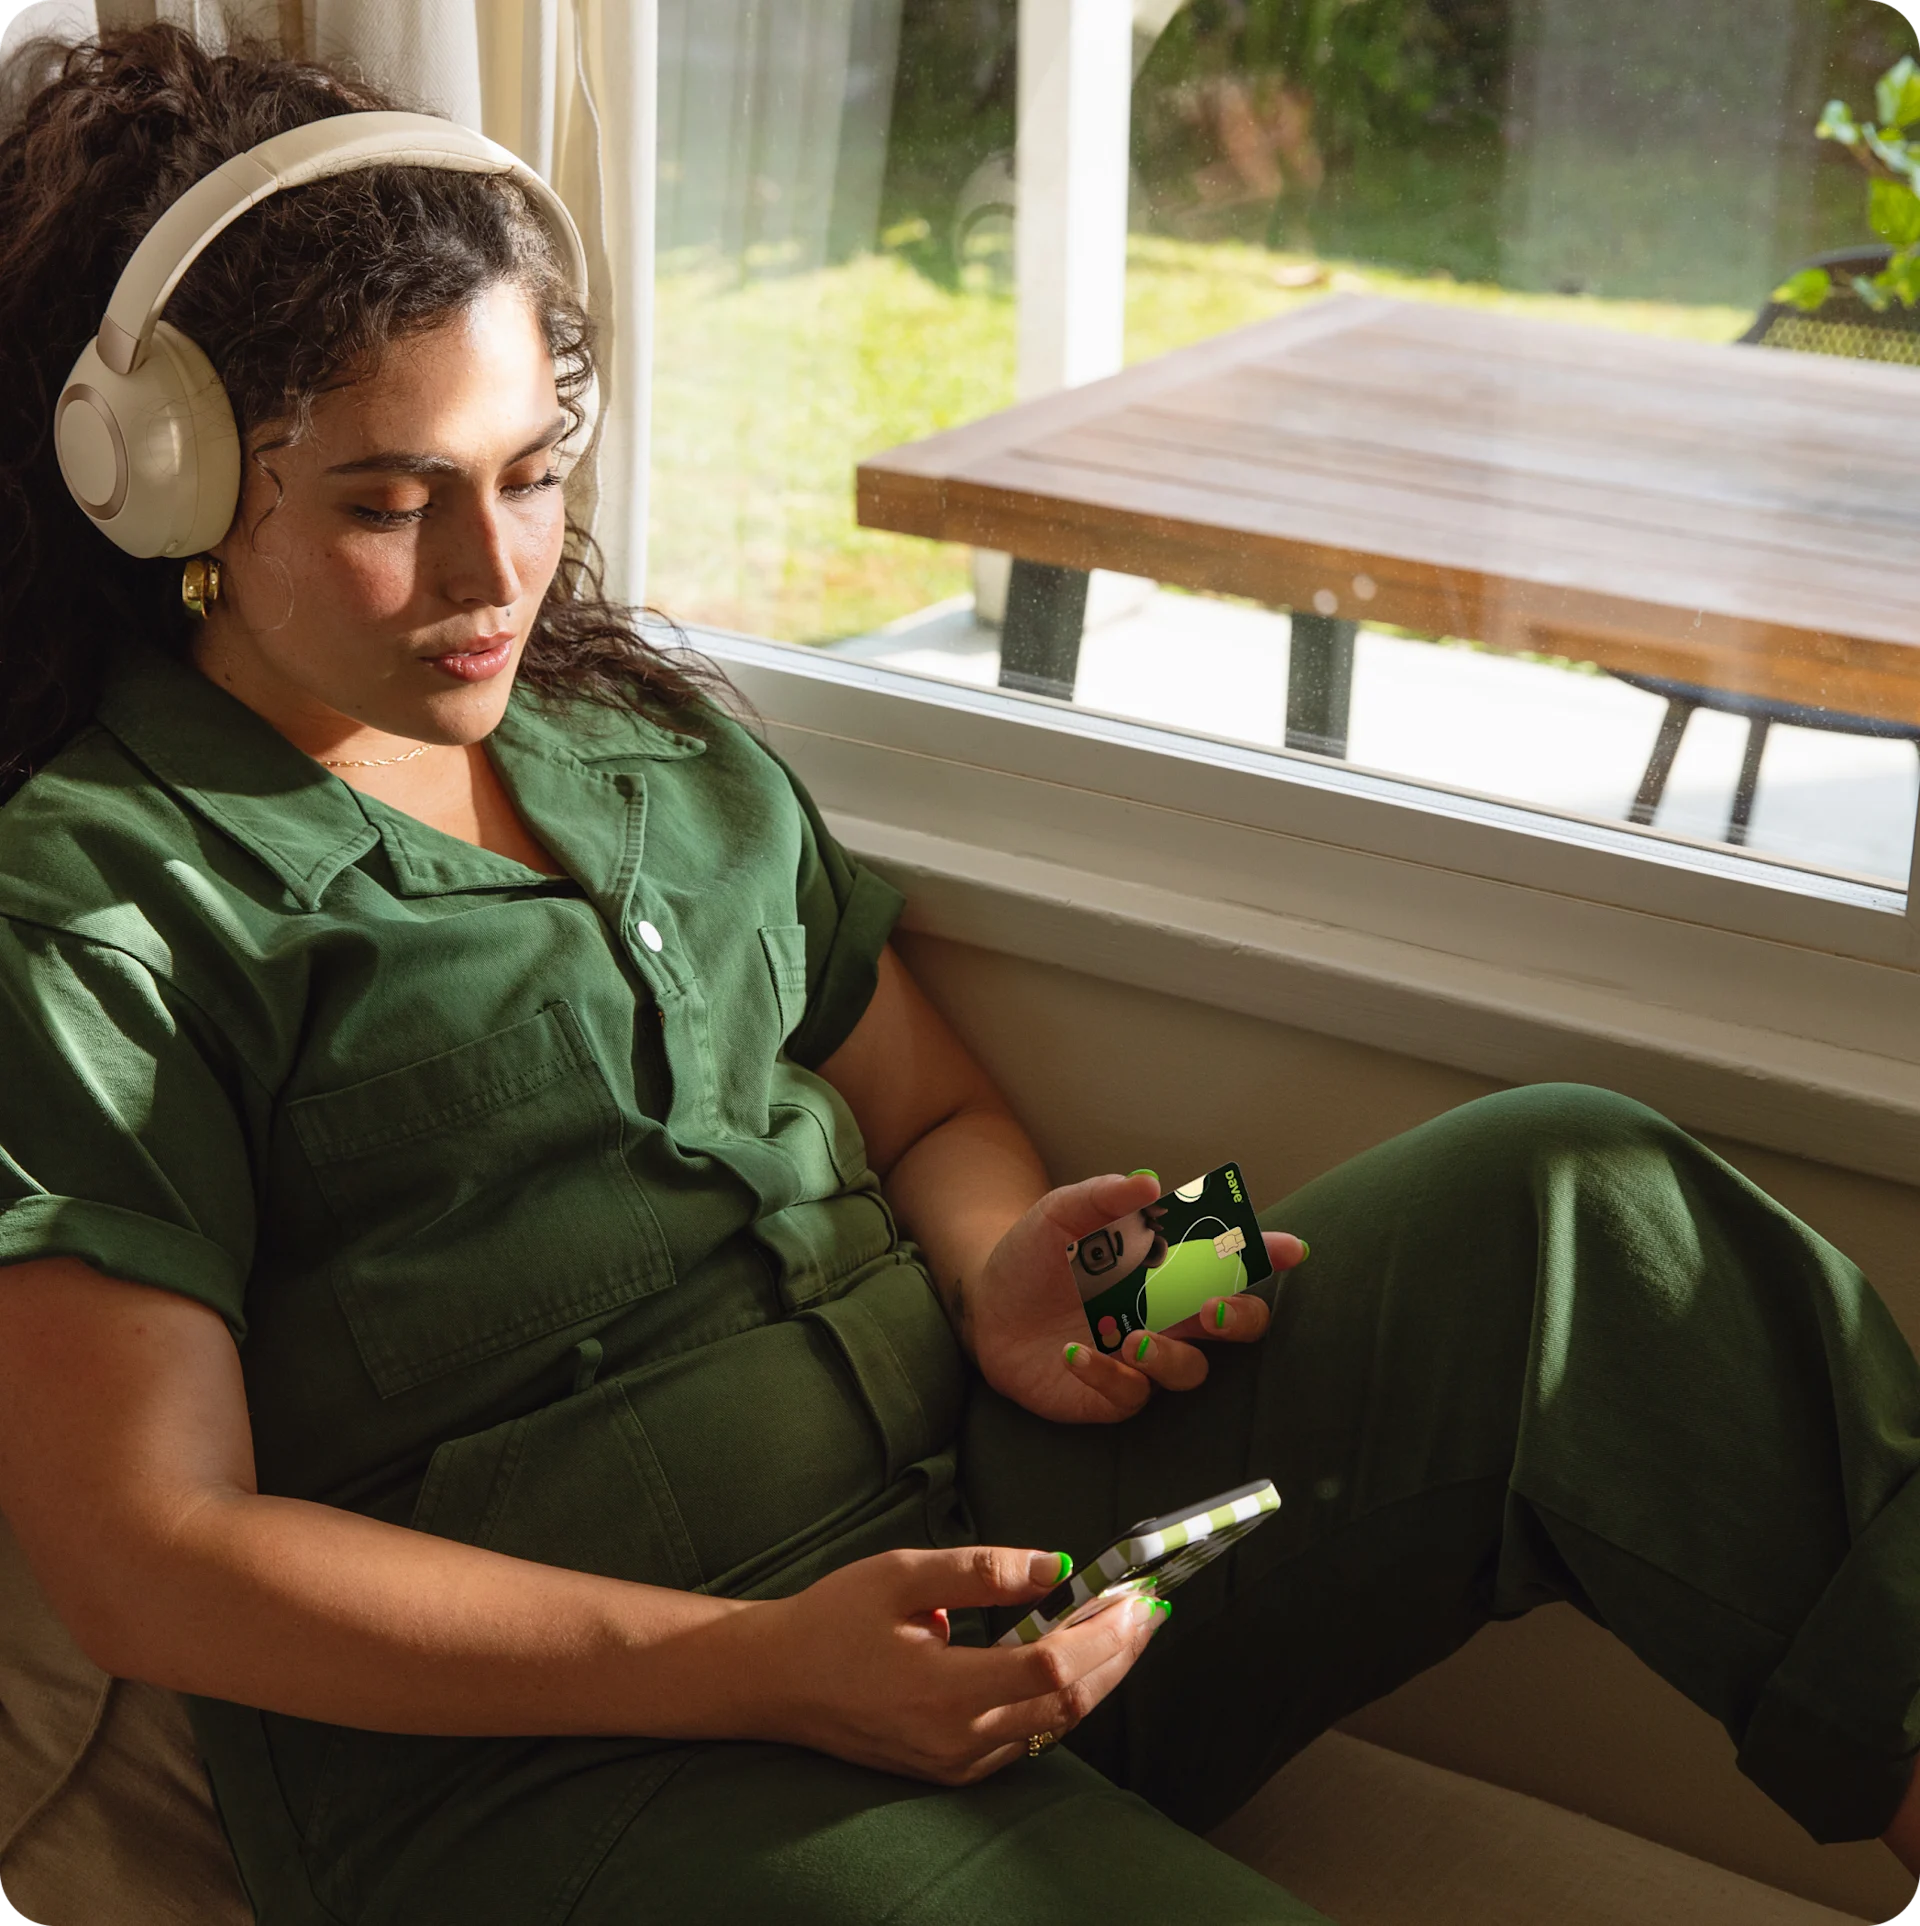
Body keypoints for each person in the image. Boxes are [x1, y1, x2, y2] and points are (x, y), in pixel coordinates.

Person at [3, 22, 1920, 1926]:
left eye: (528, 474)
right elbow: (154, 1555)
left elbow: (919, 1098)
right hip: (584, 1757)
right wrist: (764, 1664)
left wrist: (1013, 1264)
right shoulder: (99, 905)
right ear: (168, 497)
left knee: (1575, 1200)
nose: (490, 572)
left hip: (975, 1507)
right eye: (384, 501)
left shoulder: (641, 740)